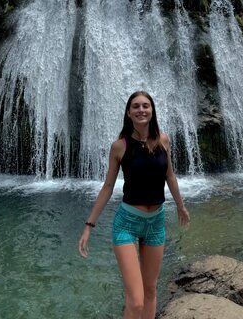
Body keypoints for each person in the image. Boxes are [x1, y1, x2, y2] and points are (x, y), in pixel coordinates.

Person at [78, 90, 190, 319]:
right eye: (136, 106)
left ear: (152, 110)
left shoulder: (163, 139)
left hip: (156, 223)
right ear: (129, 113)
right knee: (136, 301)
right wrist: (89, 225)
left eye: (146, 105)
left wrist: (180, 205)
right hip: (127, 224)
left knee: (150, 290)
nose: (141, 110)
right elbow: (108, 187)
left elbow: (170, 176)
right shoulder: (119, 146)